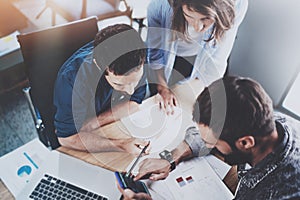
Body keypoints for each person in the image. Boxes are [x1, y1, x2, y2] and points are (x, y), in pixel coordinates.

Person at [118, 76, 300, 199]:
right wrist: (170, 158)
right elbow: (202, 134)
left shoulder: (279, 192)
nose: (205, 143)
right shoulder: (266, 120)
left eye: (211, 143)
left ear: (245, 142)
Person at [53, 24, 149, 154]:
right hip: (77, 126)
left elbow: (134, 103)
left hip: (95, 124)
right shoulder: (73, 80)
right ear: (99, 66)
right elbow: (66, 138)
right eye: (119, 85)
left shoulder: (138, 55)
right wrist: (121, 145)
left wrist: (93, 124)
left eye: (135, 81)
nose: (130, 91)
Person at [146, 0, 248, 114]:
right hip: (172, 58)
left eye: (205, 18)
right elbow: (155, 55)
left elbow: (218, 59)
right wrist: (162, 88)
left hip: (204, 54)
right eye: (189, 16)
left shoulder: (238, 4)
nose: (198, 27)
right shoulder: (159, 5)